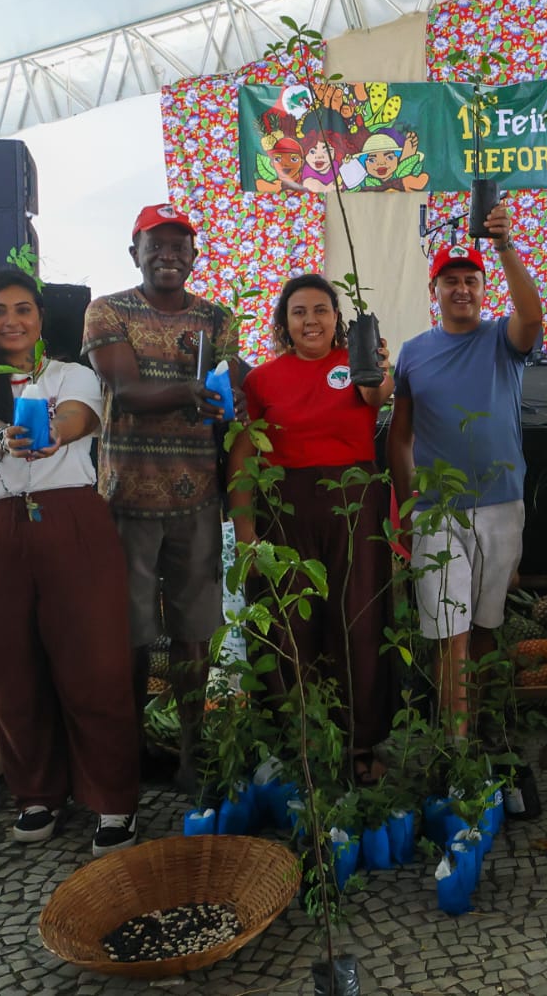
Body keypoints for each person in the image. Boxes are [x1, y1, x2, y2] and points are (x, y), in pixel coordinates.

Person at [0, 267, 140, 855]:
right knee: (7, 673)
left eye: (23, 308)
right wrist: (1, 435)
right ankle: (36, 794)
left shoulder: (72, 374)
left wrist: (52, 429)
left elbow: (81, 417)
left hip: (68, 523)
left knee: (95, 665)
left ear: (40, 318)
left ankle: (113, 801)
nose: (12, 320)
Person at [84, 203, 241, 790]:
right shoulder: (107, 311)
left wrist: (242, 389)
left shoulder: (216, 317)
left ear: (195, 256)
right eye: (158, 245)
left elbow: (231, 381)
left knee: (193, 630)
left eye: (181, 246)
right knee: (130, 632)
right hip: (125, 498)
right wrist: (193, 390)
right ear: (136, 253)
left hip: (198, 496)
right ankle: (130, 749)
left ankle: (192, 751)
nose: (169, 256)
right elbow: (124, 390)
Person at [230, 274, 396, 781]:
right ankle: (297, 743)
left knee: (358, 620)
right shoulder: (261, 380)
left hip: (355, 505)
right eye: (299, 311)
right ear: (284, 322)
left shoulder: (358, 364)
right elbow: (242, 455)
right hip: (283, 511)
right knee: (288, 624)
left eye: (321, 310)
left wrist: (377, 365)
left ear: (336, 318)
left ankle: (358, 745)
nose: (310, 320)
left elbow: (379, 397)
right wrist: (242, 529)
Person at [387, 201, 543, 738]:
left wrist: (503, 246)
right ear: (434, 291)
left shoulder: (504, 338)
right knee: (447, 630)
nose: (460, 289)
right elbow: (399, 436)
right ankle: (455, 747)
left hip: (502, 504)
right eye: (449, 280)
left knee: (485, 627)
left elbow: (533, 316)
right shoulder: (412, 353)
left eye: (470, 280)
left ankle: (484, 725)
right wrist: (409, 510)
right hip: (436, 512)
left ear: (483, 287)